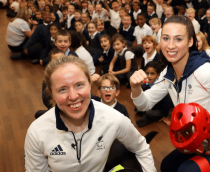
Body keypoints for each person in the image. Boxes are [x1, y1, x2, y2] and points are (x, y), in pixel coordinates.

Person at [130, 15, 210, 172]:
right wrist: (135, 87)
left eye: (178, 39)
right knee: (167, 166)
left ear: (190, 42)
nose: (170, 45)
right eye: (166, 38)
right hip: (202, 144)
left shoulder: (206, 72)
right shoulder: (168, 74)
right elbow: (144, 104)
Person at [25, 55, 156, 172]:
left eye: (79, 85)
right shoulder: (37, 132)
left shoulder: (113, 119)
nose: (73, 96)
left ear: (90, 84)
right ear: (51, 93)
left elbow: (141, 148)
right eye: (62, 89)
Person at [135, 61, 172, 127]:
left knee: (148, 113)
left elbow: (167, 102)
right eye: (147, 73)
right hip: (152, 105)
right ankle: (147, 115)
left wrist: (165, 117)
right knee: (137, 108)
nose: (149, 76)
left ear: (158, 75)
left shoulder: (161, 86)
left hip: (160, 108)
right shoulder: (145, 84)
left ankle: (150, 117)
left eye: (152, 73)